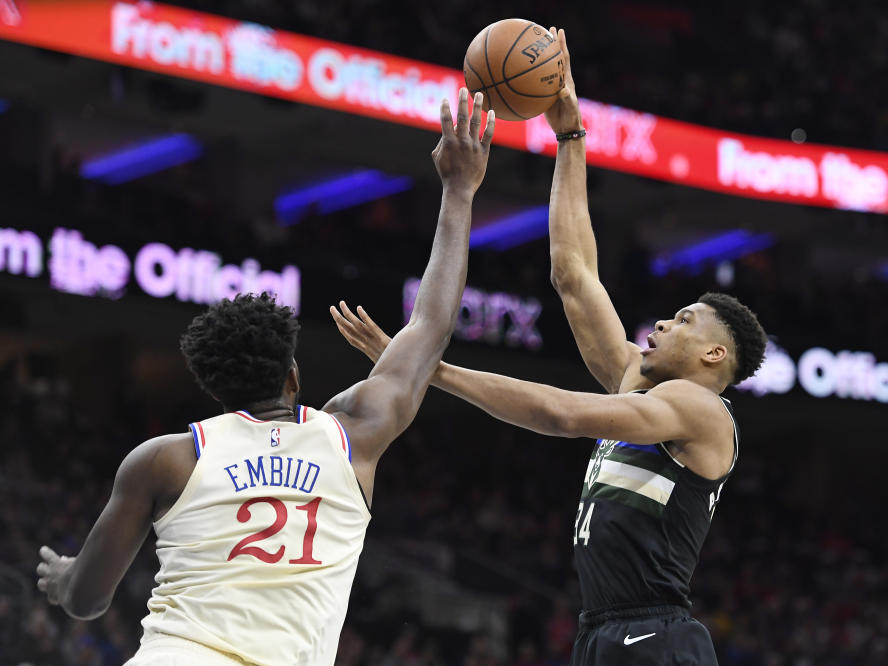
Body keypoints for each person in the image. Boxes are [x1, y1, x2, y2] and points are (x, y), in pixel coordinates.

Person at [330, 31, 766, 666]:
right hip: (603, 633)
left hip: (655, 636)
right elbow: (573, 272)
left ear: (713, 357)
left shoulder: (699, 411)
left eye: (683, 320)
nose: (665, 325)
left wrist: (428, 366)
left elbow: (561, 414)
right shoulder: (635, 384)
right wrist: (570, 138)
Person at [35, 88, 496, 666]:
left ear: (214, 391)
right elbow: (430, 326)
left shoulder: (166, 458)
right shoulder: (353, 436)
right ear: (294, 377)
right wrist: (458, 191)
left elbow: (87, 602)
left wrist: (66, 578)